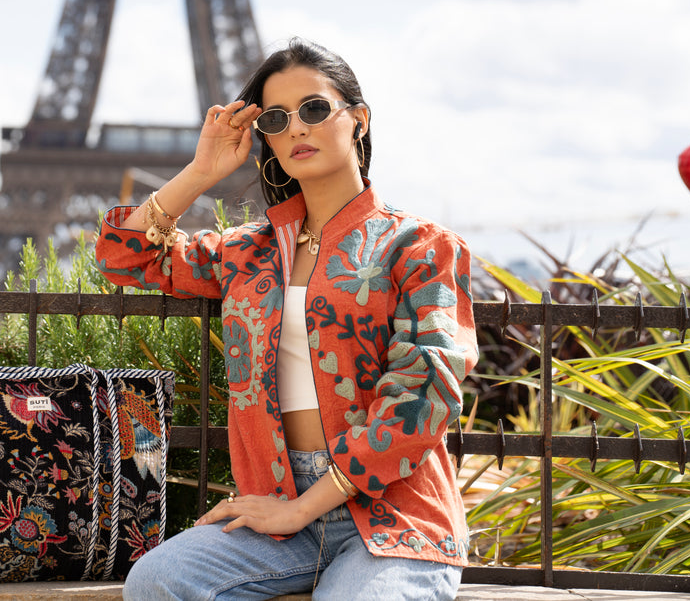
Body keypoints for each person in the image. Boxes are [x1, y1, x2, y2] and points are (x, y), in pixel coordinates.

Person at [95, 38, 478, 600]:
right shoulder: (247, 252)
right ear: (266, 139)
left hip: (393, 514)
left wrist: (306, 506)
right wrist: (202, 172)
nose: (297, 127)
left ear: (359, 120)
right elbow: (123, 255)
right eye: (277, 118)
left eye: (315, 109)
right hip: (274, 502)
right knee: (156, 583)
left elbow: (422, 401)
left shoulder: (419, 247)